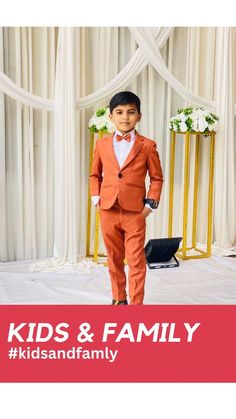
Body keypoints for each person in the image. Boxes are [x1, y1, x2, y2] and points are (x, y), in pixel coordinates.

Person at [89, 91, 163, 305]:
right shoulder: (102, 144)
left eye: (131, 112)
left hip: (135, 212)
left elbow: (157, 178)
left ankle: (136, 305)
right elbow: (94, 174)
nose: (125, 117)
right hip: (108, 210)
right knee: (113, 258)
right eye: (119, 112)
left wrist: (150, 206)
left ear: (139, 116)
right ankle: (119, 298)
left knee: (136, 260)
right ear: (111, 116)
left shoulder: (147, 145)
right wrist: (97, 199)